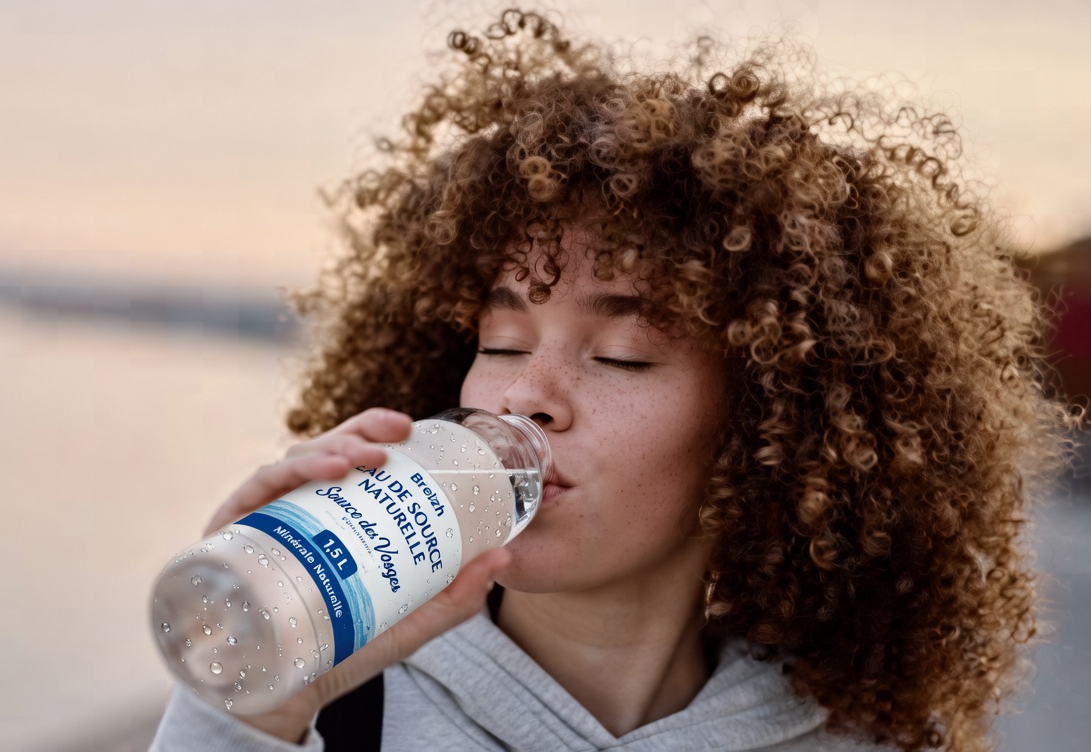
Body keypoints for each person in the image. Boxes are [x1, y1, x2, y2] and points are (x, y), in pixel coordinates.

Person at [150, 9, 1080, 751]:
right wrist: (248, 714)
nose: (525, 395)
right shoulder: (342, 714)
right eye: (504, 342)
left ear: (766, 425)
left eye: (622, 356)